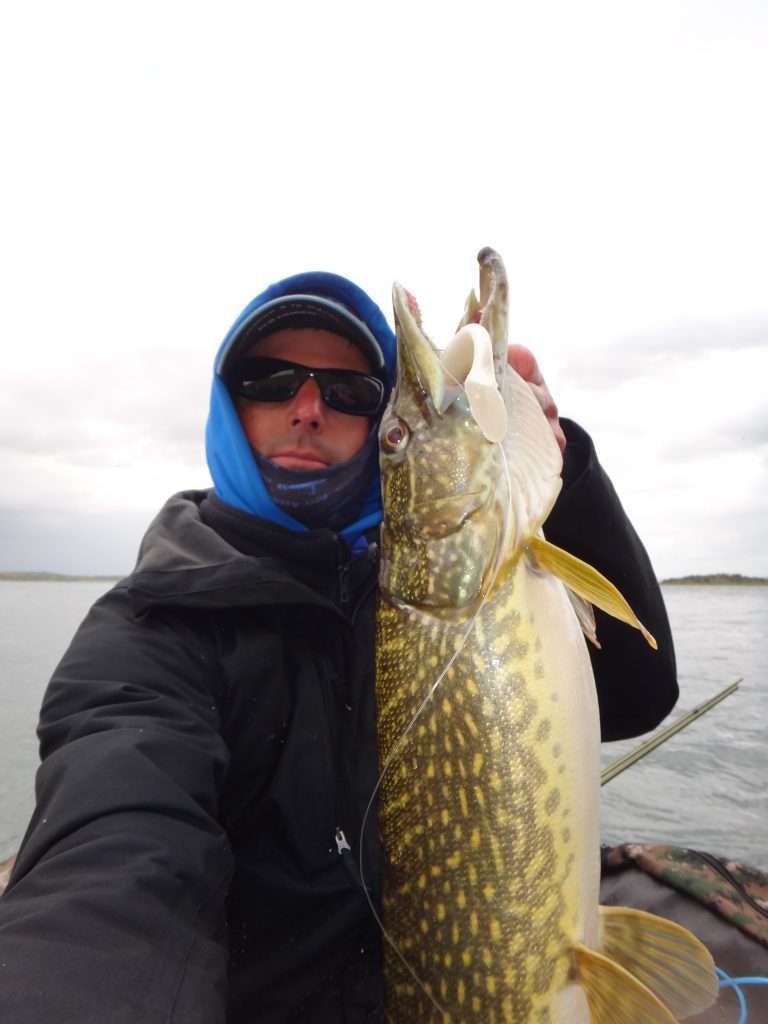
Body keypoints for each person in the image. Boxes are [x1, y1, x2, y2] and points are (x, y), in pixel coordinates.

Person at [0, 271, 678, 1023]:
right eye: (271, 380)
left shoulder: (424, 585)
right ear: (229, 403)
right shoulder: (147, 633)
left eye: (355, 395)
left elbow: (639, 695)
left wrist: (562, 474)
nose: (310, 410)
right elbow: (115, 868)